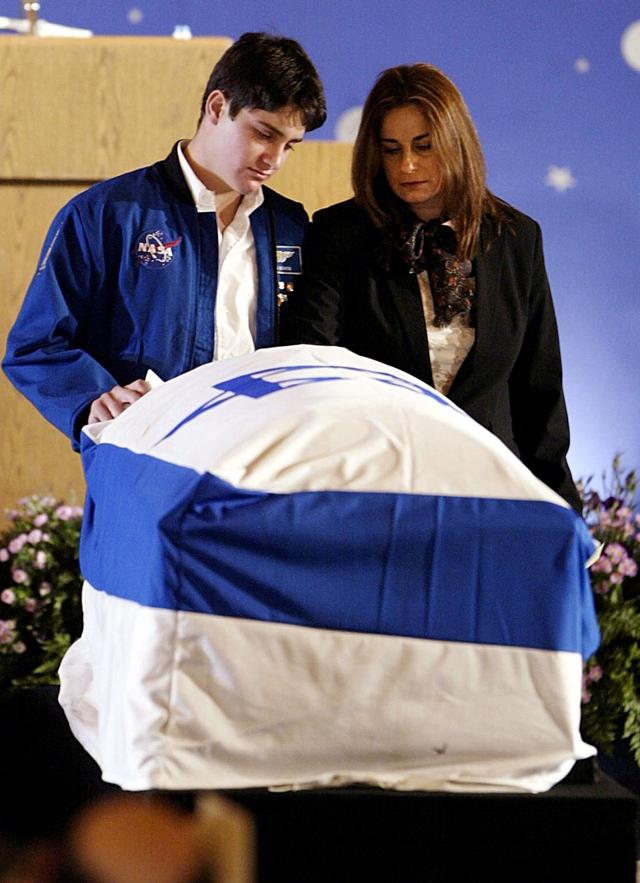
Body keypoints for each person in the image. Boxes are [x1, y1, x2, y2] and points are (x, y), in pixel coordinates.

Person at [3, 32, 326, 450]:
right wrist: (94, 399)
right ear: (217, 107)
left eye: (290, 146)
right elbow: (36, 345)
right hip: (142, 460)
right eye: (264, 133)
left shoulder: (290, 225)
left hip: (260, 464)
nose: (275, 159)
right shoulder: (106, 213)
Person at [283, 63, 581, 512]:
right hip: (376, 493)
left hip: (492, 496)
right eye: (390, 150)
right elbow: (308, 363)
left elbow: (539, 395)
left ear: (456, 142)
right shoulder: (340, 233)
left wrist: (564, 514)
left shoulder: (517, 239)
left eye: (424, 146)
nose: (407, 165)